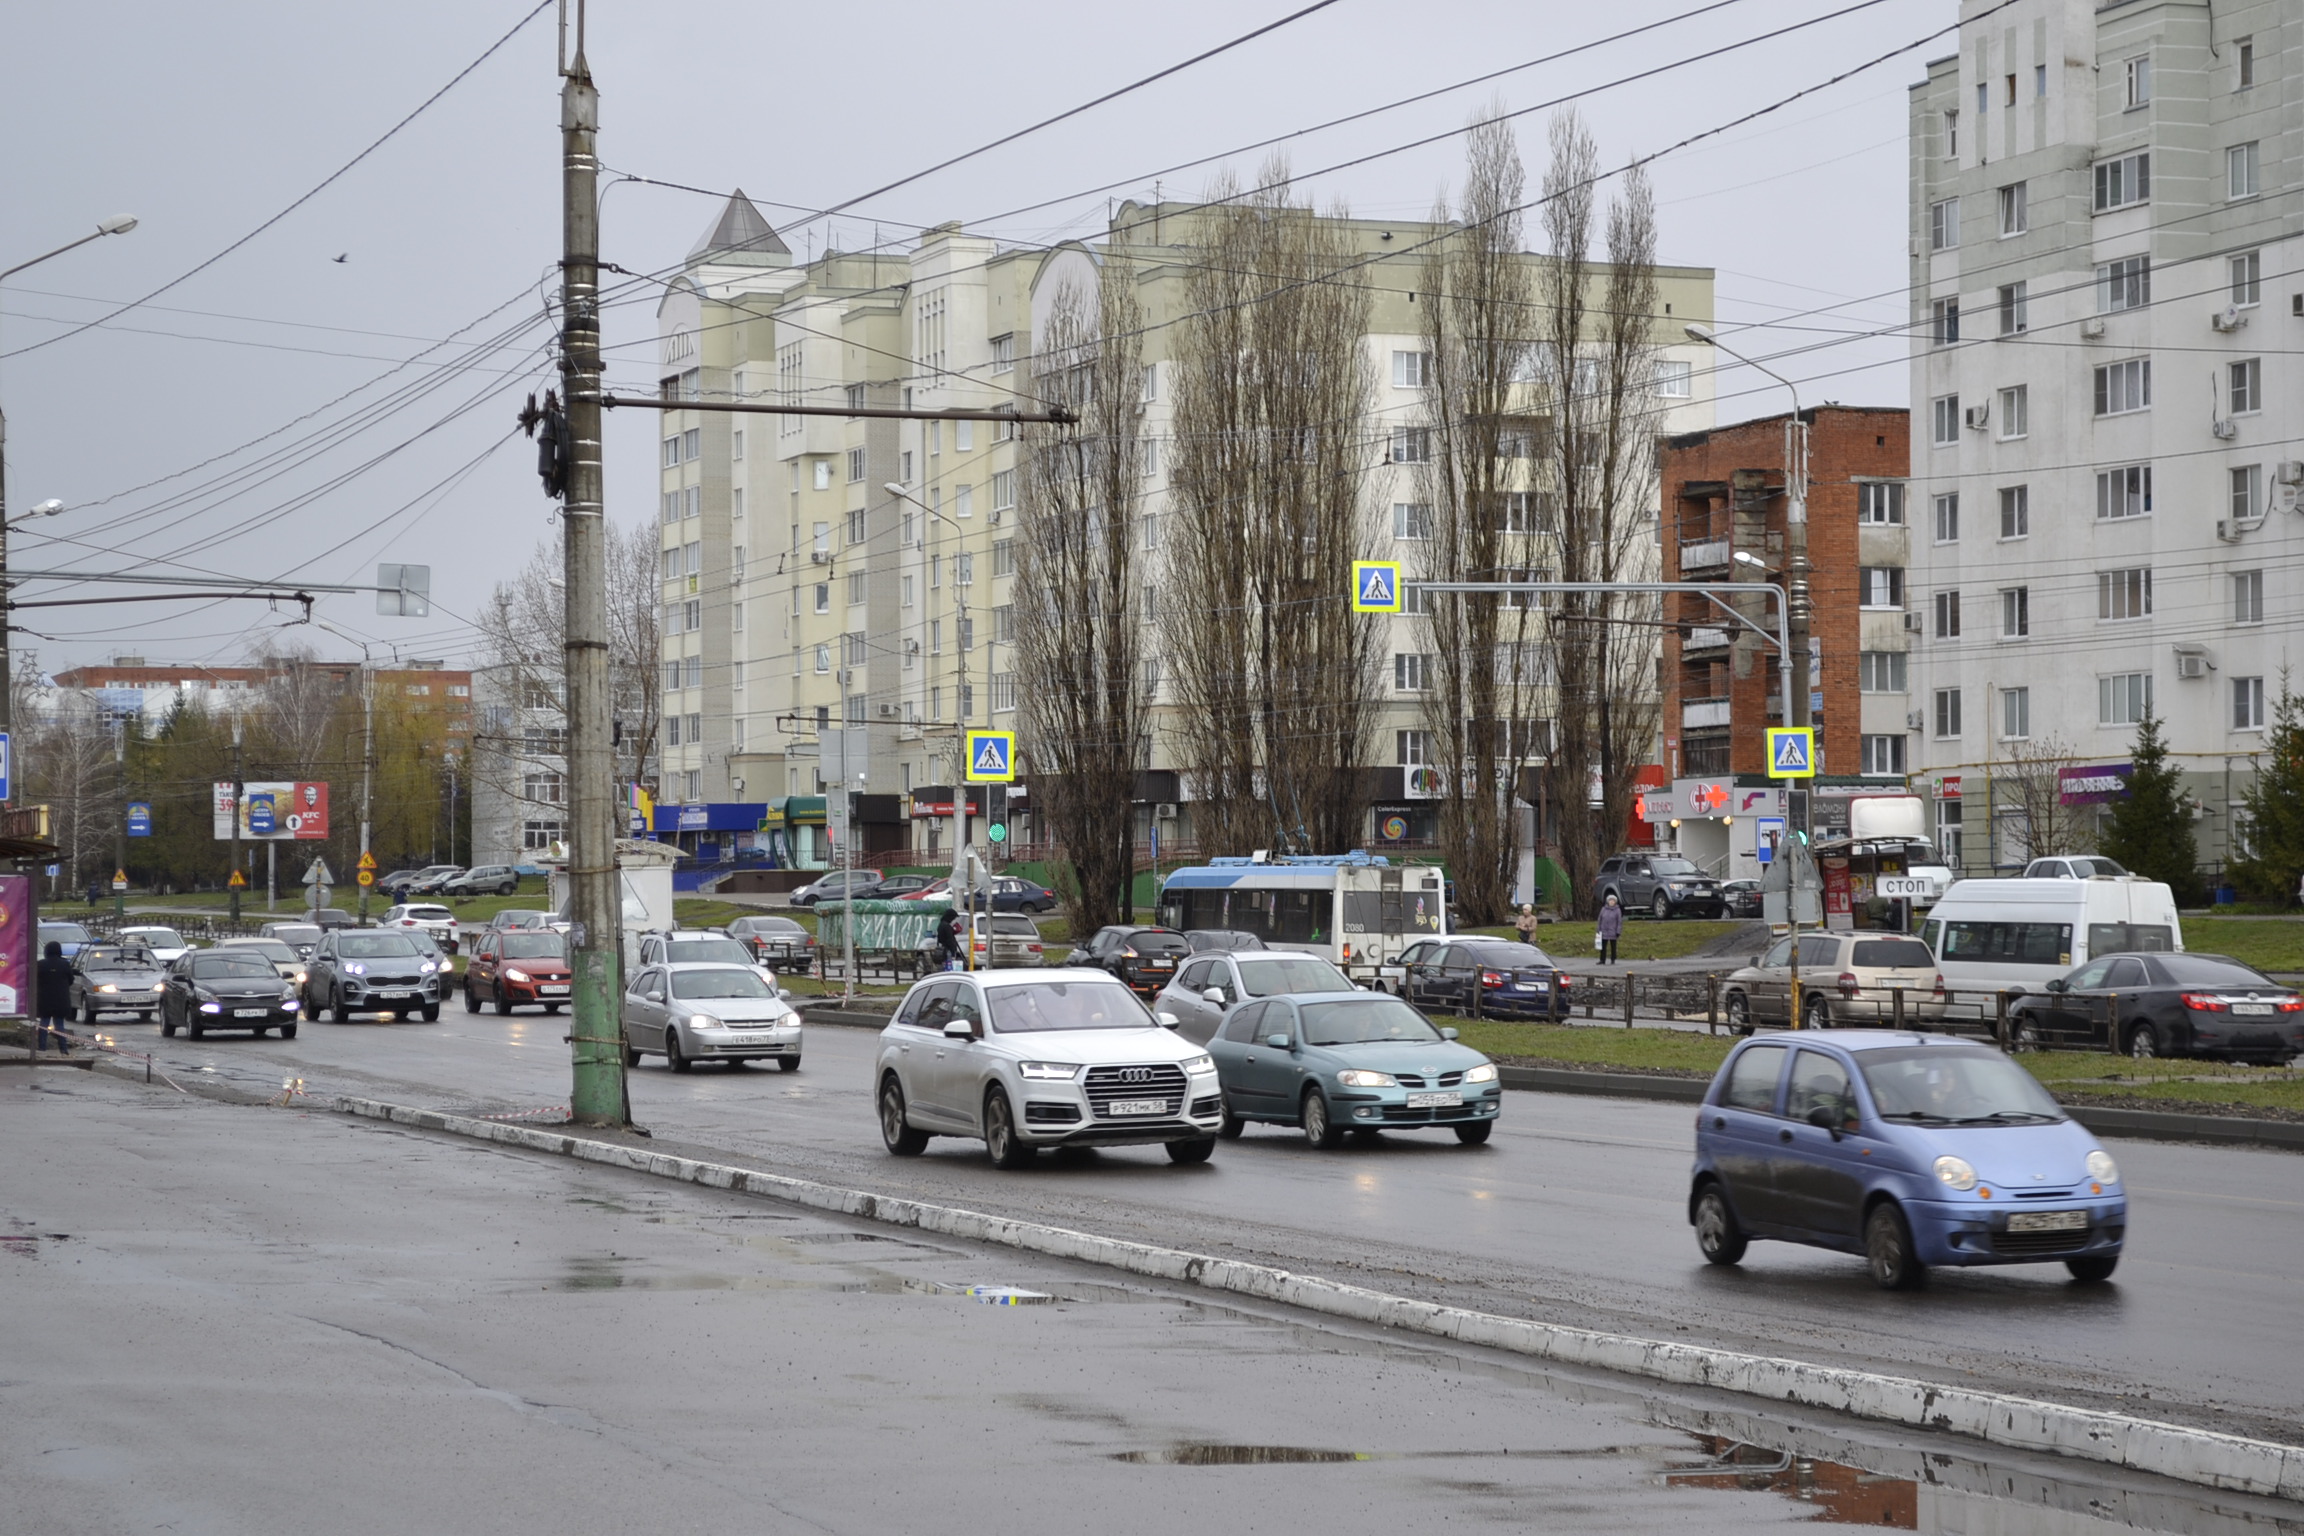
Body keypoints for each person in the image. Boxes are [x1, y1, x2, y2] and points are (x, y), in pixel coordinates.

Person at [35, 941, 75, 1056]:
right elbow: (71, 980)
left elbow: (35, 979)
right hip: (61, 1001)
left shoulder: (40, 964)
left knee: (44, 1023)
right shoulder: (64, 964)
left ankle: (42, 1048)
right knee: (59, 1025)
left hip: (44, 1000)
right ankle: (63, 1049)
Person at [1595, 892, 1624, 966]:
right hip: (1603, 931)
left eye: (1613, 901)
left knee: (1613, 946)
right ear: (1608, 901)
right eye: (1610, 900)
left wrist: (1618, 931)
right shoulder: (1603, 909)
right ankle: (1602, 959)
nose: (1611, 902)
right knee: (1603, 946)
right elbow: (1600, 919)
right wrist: (1598, 929)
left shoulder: (1617, 910)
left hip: (1613, 931)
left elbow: (1619, 921)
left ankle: (1613, 959)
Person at [934, 906, 963, 972]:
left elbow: (941, 938)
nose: (953, 919)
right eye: (953, 918)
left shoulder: (941, 925)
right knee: (950, 968)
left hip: (943, 949)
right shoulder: (947, 926)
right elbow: (949, 939)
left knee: (944, 967)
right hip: (948, 950)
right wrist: (953, 950)